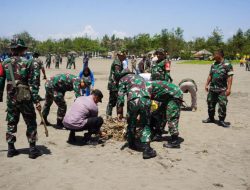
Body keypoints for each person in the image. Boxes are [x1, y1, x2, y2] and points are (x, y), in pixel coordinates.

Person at [0, 38, 42, 159]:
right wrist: (36, 99)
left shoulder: (5, 62)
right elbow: (34, 82)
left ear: (12, 49)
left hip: (11, 96)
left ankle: (11, 149)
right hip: (25, 96)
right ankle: (33, 149)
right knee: (31, 122)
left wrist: (0, 96)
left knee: (12, 121)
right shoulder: (29, 62)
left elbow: (1, 79)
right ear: (23, 49)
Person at [117, 70, 156, 159]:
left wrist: (119, 112)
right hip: (146, 99)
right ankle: (147, 149)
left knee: (131, 122)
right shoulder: (140, 77)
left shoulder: (123, 79)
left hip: (133, 100)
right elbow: (150, 89)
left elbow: (120, 96)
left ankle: (131, 143)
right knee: (145, 124)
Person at [146, 80, 183, 148]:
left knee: (171, 116)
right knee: (159, 114)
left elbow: (146, 104)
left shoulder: (146, 87)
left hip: (174, 95)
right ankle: (158, 134)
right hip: (166, 97)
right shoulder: (144, 87)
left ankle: (175, 141)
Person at [202, 50, 233, 128]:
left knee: (222, 105)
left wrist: (229, 89)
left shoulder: (227, 64)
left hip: (222, 89)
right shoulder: (213, 64)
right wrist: (206, 84)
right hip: (212, 89)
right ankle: (211, 118)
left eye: (214, 55)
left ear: (219, 55)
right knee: (210, 104)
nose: (213, 56)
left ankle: (221, 120)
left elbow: (230, 77)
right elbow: (210, 75)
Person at [106, 50, 126, 119]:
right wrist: (127, 73)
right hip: (114, 85)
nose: (125, 57)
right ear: (120, 55)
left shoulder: (119, 62)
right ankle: (109, 117)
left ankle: (116, 117)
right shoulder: (117, 62)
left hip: (115, 84)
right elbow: (117, 75)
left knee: (115, 101)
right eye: (124, 55)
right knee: (113, 102)